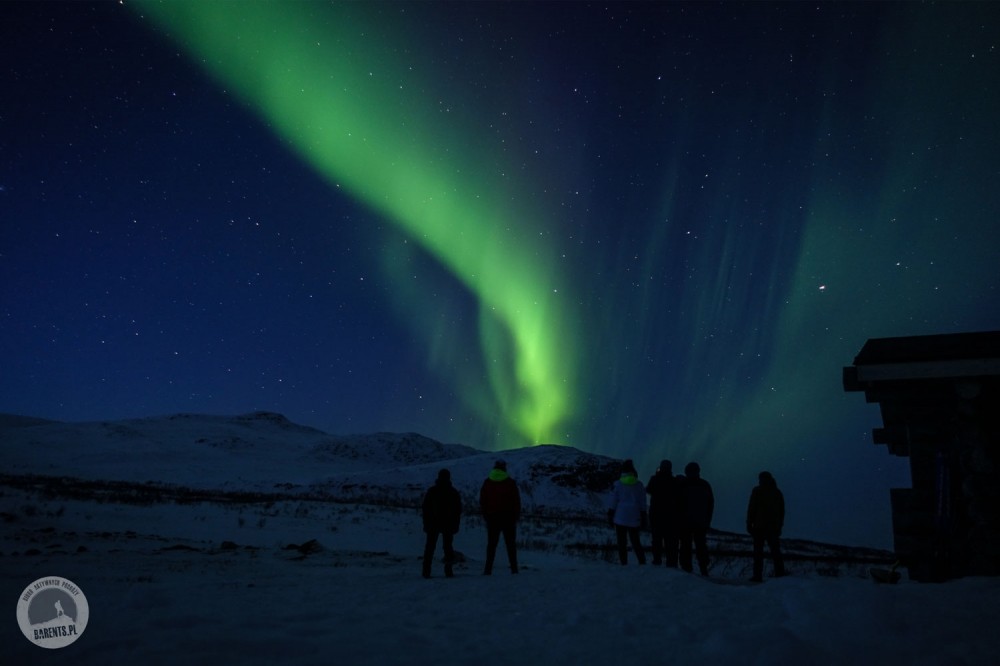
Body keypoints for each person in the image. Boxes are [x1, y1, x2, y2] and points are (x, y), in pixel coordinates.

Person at [479, 459, 521, 574]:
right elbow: (516, 501)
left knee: (491, 545)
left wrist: (486, 516)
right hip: (508, 519)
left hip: (492, 518)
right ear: (504, 468)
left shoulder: (487, 482)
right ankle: (514, 569)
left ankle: (488, 569)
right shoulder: (510, 483)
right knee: (511, 545)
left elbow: (483, 501)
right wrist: (515, 516)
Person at [422, 468, 462, 578]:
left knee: (430, 547)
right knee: (447, 547)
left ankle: (426, 571)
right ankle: (448, 571)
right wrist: (456, 524)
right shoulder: (453, 492)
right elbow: (458, 511)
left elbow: (426, 509)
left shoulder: (432, 491)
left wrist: (426, 523)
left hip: (433, 523)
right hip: (447, 524)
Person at [746, 470, 786, 582]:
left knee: (771, 552)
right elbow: (752, 508)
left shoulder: (775, 493)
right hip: (762, 527)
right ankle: (761, 576)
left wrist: (749, 523)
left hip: (768, 527)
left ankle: (778, 575)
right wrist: (749, 523)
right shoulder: (773, 492)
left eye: (762, 479)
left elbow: (781, 511)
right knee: (762, 553)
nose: (761, 481)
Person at [607, 459, 647, 565]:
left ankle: (623, 564)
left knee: (622, 542)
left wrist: (610, 514)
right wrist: (643, 515)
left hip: (620, 517)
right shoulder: (639, 485)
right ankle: (642, 562)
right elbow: (643, 502)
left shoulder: (618, 484)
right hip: (634, 517)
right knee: (636, 542)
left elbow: (613, 501)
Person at [646, 459, 682, 567]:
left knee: (657, 539)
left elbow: (649, 490)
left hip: (656, 514)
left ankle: (657, 560)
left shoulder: (655, 479)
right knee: (670, 539)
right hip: (670, 515)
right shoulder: (674, 481)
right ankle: (671, 562)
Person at [679, 461, 713, 575]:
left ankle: (687, 568)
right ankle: (703, 568)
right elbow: (710, 505)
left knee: (686, 545)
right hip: (700, 521)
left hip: (686, 521)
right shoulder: (705, 485)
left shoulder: (683, 485)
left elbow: (677, 503)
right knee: (701, 545)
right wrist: (707, 520)